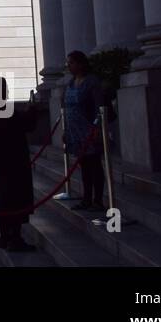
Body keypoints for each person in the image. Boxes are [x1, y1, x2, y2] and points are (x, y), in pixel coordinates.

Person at [0, 76, 41, 251]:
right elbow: (27, 125)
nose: (7, 91)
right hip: (13, 162)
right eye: (5, 88)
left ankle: (5, 236)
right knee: (16, 200)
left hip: (0, 161)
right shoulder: (4, 110)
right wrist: (32, 109)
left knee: (5, 199)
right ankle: (15, 238)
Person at [63, 50, 106, 211]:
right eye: (68, 63)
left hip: (89, 129)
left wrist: (96, 128)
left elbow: (98, 106)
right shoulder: (71, 83)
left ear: (81, 63)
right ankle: (86, 198)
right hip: (75, 131)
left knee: (95, 165)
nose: (69, 66)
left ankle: (98, 200)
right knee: (84, 166)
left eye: (72, 62)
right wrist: (66, 130)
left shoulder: (91, 82)